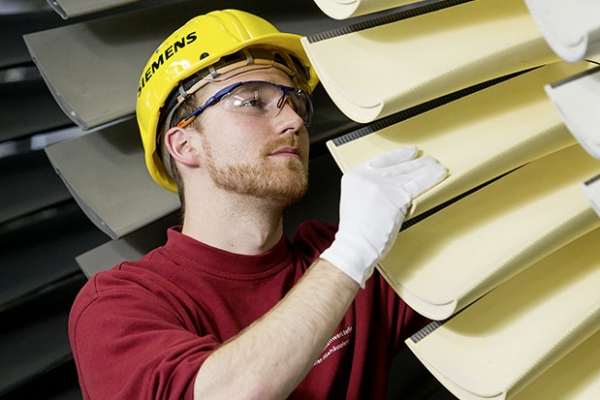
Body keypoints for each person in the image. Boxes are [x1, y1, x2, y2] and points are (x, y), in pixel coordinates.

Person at [68, 9, 447, 399]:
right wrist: (351, 256)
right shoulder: (121, 303)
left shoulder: (352, 254)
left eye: (294, 103)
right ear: (185, 145)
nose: (294, 122)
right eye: (252, 101)